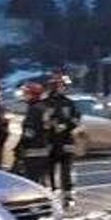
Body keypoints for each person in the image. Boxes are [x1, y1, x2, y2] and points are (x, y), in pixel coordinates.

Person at [41, 75, 81, 203]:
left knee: (66, 170)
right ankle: (52, 194)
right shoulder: (45, 104)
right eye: (62, 86)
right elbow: (42, 121)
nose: (64, 89)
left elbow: (76, 119)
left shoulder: (69, 103)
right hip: (50, 141)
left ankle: (68, 195)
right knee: (49, 170)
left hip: (66, 141)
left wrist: (66, 126)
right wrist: (49, 126)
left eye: (64, 86)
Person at [13, 82, 48, 182]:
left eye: (26, 93)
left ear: (33, 95)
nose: (24, 96)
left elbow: (30, 131)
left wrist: (20, 146)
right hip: (43, 150)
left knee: (31, 181)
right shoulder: (43, 108)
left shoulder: (34, 110)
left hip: (33, 151)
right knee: (40, 180)